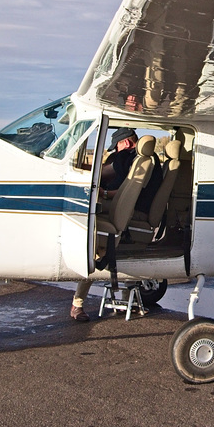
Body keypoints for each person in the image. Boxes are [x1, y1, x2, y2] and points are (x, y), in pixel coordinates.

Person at [71, 127, 138, 322]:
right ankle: (127, 299)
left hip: (119, 209)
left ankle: (77, 303)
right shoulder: (139, 161)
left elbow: (100, 174)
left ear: (125, 143)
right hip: (125, 209)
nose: (115, 151)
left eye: (116, 146)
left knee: (93, 249)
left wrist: (99, 189)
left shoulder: (123, 158)